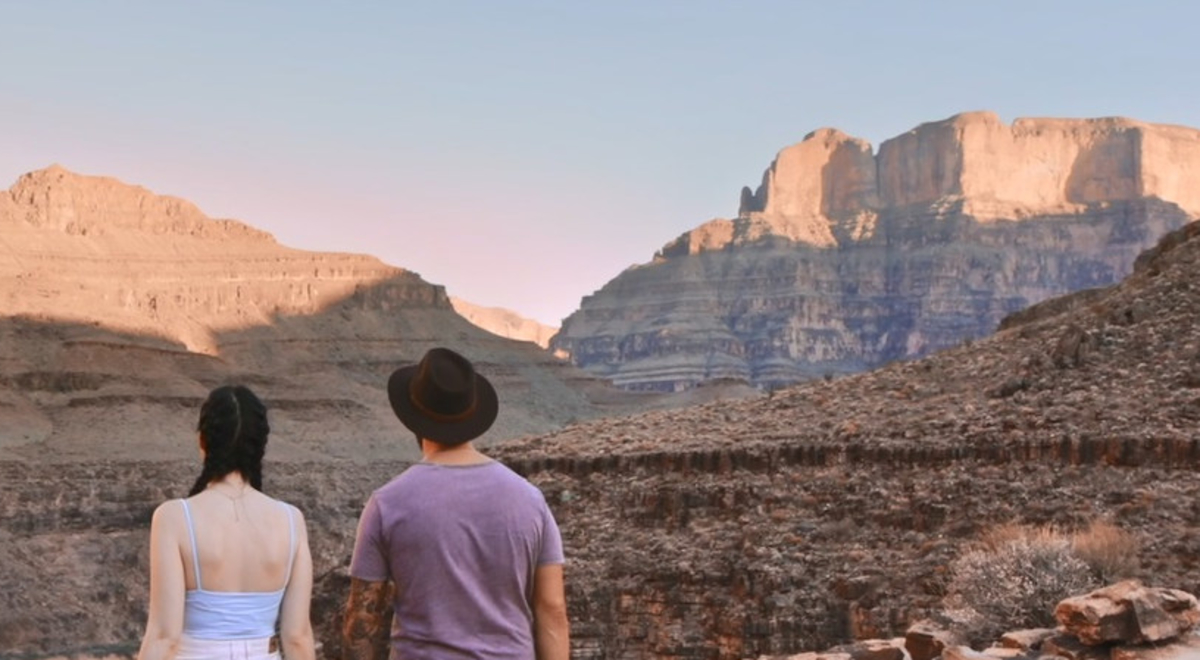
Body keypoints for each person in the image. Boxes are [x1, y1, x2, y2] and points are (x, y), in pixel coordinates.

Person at [342, 347, 569, 660]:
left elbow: (362, 624)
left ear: (413, 419)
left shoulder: (387, 503)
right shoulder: (530, 500)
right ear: (473, 414)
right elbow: (552, 609)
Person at [136, 385, 315, 660]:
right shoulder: (291, 520)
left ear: (203, 441)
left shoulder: (174, 517)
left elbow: (164, 637)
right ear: (260, 446)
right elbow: (297, 637)